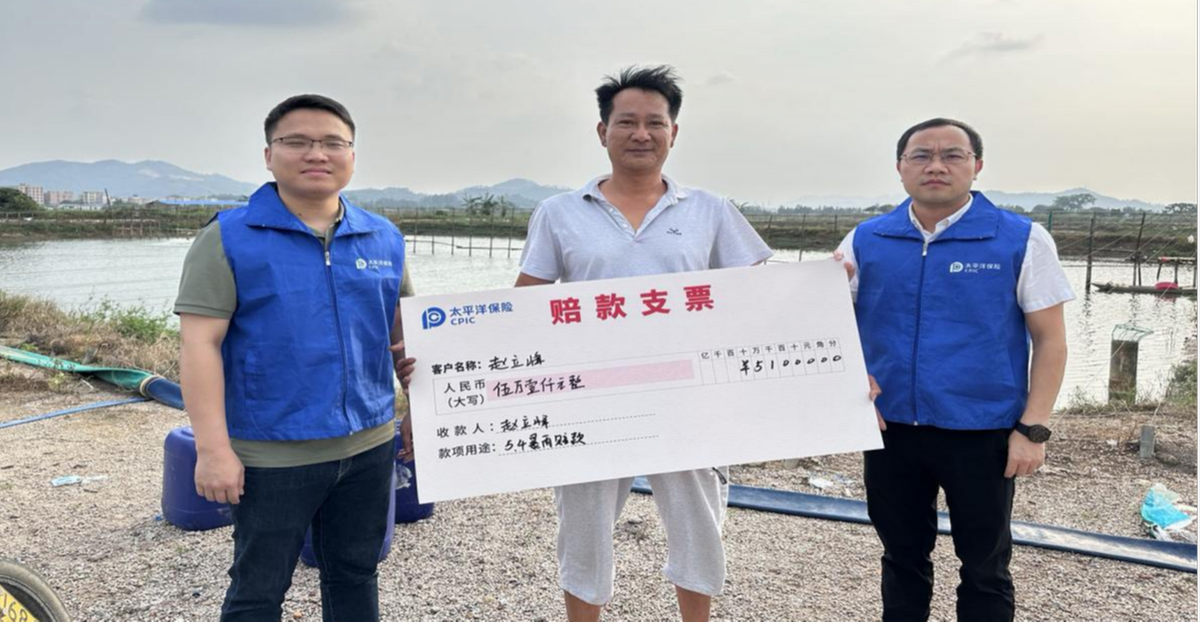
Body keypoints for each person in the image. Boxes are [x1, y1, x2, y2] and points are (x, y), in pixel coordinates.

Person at [515, 65, 772, 622]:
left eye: (655, 123)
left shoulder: (710, 210)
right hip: (590, 398)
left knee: (698, 526)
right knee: (582, 529)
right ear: (602, 131)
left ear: (673, 133)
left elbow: (761, 294)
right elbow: (525, 306)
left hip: (689, 396)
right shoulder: (559, 212)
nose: (641, 134)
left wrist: (825, 292)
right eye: (626, 122)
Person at [176, 93, 415, 622]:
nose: (317, 154)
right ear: (269, 155)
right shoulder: (228, 238)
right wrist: (213, 450)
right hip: (272, 452)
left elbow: (405, 336)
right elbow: (199, 345)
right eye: (298, 142)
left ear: (352, 156)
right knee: (259, 589)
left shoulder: (383, 237)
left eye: (333, 143)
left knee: (355, 572)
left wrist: (421, 410)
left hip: (370, 443)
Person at [836, 118, 1074, 621]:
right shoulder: (867, 239)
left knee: (985, 565)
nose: (936, 166)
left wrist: (1033, 429)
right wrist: (850, 385)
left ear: (977, 166)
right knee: (901, 556)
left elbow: (1051, 340)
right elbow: (832, 327)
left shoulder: (1020, 239)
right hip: (891, 429)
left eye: (952, 155)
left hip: (982, 432)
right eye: (921, 155)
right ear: (900, 167)